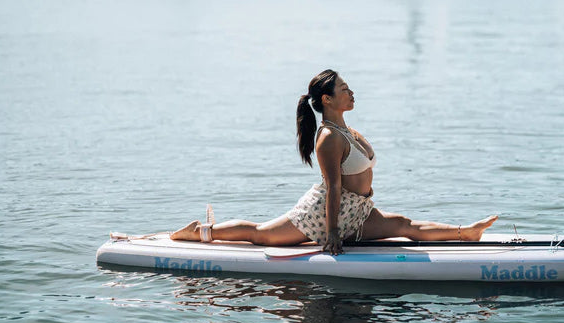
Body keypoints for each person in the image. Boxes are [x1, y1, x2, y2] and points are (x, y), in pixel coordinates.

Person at [171, 69, 497, 254]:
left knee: (404, 226)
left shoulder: (347, 129)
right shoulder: (328, 138)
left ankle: (466, 233)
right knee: (262, 235)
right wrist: (332, 235)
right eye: (344, 88)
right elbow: (332, 190)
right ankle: (200, 232)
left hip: (359, 209)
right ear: (327, 99)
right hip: (327, 213)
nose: (351, 92)